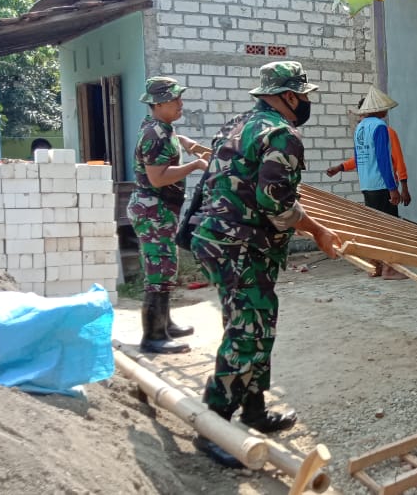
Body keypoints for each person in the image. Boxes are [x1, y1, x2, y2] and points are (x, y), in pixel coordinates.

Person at [190, 61, 338, 468]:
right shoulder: (282, 134)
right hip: (242, 245)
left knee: (254, 321)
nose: (306, 103)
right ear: (289, 96)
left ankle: (253, 409)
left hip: (218, 239)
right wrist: (319, 231)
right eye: (304, 95)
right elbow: (276, 202)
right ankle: (214, 424)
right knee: (247, 329)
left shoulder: (237, 124)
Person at [128, 77, 208, 354]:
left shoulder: (162, 129)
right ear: (159, 103)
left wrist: (185, 143)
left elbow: (170, 142)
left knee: (166, 267)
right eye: (175, 100)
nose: (180, 104)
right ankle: (153, 336)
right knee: (159, 271)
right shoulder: (155, 134)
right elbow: (158, 178)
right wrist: (194, 165)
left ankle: (165, 324)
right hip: (154, 209)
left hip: (159, 210)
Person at [346, 85, 407, 280]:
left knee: (374, 227)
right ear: (377, 108)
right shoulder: (380, 127)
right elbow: (383, 159)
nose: (386, 111)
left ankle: (375, 265)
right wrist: (393, 188)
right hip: (381, 184)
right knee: (389, 228)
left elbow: (357, 158)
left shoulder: (360, 128)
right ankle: (390, 268)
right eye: (384, 108)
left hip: (366, 184)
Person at [325, 97, 412, 207]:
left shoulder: (360, 128)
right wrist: (397, 187)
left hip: (366, 186)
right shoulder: (383, 129)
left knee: (375, 221)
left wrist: (340, 167)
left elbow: (361, 156)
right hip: (383, 186)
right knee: (387, 223)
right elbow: (388, 160)